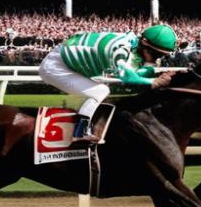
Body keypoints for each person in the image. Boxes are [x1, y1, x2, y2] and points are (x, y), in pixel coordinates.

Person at [38, 24, 178, 143]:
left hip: (67, 62)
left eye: (162, 56)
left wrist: (155, 76)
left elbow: (136, 74)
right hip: (56, 66)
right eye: (157, 55)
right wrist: (155, 81)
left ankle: (87, 125)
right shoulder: (120, 48)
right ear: (145, 45)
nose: (158, 59)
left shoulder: (133, 46)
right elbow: (129, 78)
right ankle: (79, 133)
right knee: (100, 91)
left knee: (99, 93)